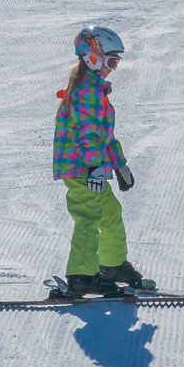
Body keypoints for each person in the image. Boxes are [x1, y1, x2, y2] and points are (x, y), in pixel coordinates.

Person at [48, 25, 147, 299]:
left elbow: (105, 136)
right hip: (82, 168)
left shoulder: (95, 90)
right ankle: (82, 276)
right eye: (111, 61)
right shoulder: (86, 91)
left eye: (116, 62)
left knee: (110, 211)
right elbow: (87, 134)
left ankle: (113, 266)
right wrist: (94, 166)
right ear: (93, 57)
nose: (113, 67)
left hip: (91, 167)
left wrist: (119, 164)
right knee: (89, 217)